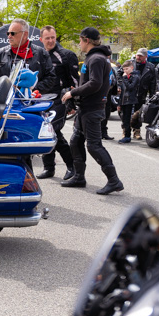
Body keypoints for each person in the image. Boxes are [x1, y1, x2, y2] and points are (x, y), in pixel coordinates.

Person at [60, 27, 123, 195]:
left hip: (92, 109)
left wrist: (73, 93)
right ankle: (79, 177)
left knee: (94, 146)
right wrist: (79, 92)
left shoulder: (96, 58)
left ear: (86, 40)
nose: (79, 44)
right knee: (75, 141)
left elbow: (95, 83)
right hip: (86, 107)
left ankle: (114, 180)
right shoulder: (97, 58)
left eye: (80, 40)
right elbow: (100, 84)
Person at [35, 24, 78, 179]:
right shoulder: (38, 55)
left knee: (54, 131)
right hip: (40, 100)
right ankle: (49, 168)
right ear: (41, 39)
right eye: (47, 38)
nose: (51, 40)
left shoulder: (66, 55)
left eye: (53, 37)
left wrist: (72, 103)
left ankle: (72, 166)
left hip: (59, 99)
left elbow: (74, 81)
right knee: (44, 133)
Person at [0, 18, 54, 91]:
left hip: (34, 100)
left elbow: (51, 78)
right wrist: (5, 90)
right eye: (8, 33)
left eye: (13, 33)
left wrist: (32, 87)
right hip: (5, 100)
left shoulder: (42, 53)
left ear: (25, 35)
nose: (9, 36)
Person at [130, 48, 157, 140]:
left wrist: (153, 95)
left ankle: (136, 131)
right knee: (126, 113)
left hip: (142, 93)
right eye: (138, 55)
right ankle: (126, 131)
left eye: (141, 56)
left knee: (138, 113)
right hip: (129, 93)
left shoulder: (151, 67)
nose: (138, 57)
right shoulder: (130, 63)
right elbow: (120, 74)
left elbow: (153, 83)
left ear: (146, 57)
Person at [117, 60, 140, 144]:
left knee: (127, 119)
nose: (125, 71)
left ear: (132, 68)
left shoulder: (135, 77)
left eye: (127, 69)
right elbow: (122, 91)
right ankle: (126, 134)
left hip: (130, 101)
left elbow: (130, 87)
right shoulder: (124, 77)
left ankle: (127, 136)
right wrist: (119, 103)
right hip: (123, 101)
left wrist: (125, 78)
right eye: (124, 69)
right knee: (124, 119)